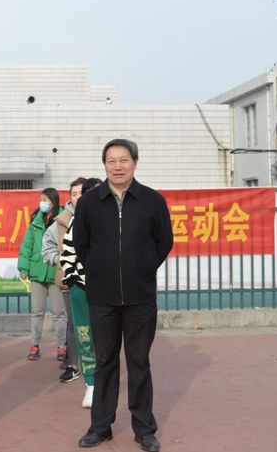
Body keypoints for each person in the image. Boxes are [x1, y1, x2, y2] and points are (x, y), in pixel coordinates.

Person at [73, 139, 173, 452]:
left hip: (140, 296)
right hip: (101, 297)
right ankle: (100, 427)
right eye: (111, 161)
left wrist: (142, 267)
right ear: (104, 165)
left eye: (124, 160)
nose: (118, 166)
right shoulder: (89, 202)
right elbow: (81, 244)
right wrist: (98, 269)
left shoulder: (152, 200)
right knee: (105, 361)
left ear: (135, 163)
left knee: (139, 361)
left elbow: (164, 241)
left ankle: (144, 429)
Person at [59, 177, 103, 408]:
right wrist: (73, 279)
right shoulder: (76, 221)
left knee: (106, 337)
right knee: (84, 335)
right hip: (81, 288)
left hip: (107, 289)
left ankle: (105, 380)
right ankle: (91, 383)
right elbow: (66, 254)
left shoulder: (114, 219)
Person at [41, 177, 85, 381]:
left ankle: (96, 364)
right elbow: (46, 249)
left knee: (98, 323)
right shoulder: (61, 221)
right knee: (73, 323)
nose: (78, 197)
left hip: (96, 281)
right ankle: (74, 365)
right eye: (74, 194)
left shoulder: (101, 215)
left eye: (82, 193)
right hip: (70, 280)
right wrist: (63, 260)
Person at [17, 188, 68, 362]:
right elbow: (27, 246)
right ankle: (34, 345)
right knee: (37, 311)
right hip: (37, 273)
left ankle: (62, 346)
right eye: (41, 200)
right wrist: (24, 268)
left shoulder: (64, 220)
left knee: (59, 312)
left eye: (44, 200)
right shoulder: (35, 221)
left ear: (53, 201)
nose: (42, 203)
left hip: (56, 272)